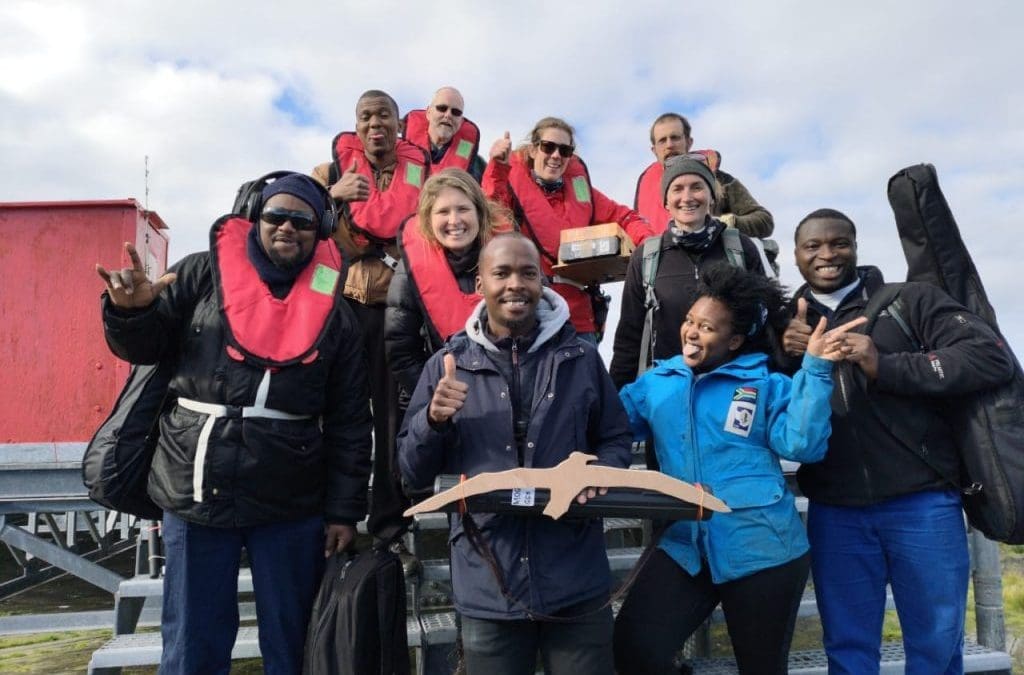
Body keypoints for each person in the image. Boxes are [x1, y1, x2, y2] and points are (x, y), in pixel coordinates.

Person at [96, 173, 372, 674]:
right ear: (254, 216)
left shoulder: (339, 314)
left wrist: (343, 512)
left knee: (293, 645)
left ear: (322, 229)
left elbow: (352, 421)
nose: (288, 228)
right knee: (192, 647)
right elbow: (145, 347)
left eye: (304, 220)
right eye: (276, 216)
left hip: (292, 502)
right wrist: (129, 313)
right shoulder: (201, 275)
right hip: (195, 490)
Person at [782, 208, 1014, 674]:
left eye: (839, 242)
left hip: (922, 503)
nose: (827, 254)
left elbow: (992, 358)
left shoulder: (909, 301)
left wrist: (884, 364)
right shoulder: (783, 324)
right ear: (796, 257)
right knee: (847, 652)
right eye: (813, 246)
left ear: (855, 245)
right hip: (835, 509)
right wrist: (782, 352)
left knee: (936, 649)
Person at [397, 233, 632, 675]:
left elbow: (616, 438)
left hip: (576, 580)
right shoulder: (447, 364)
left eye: (528, 273)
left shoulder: (581, 357)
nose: (515, 284)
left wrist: (602, 472)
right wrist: (433, 421)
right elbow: (411, 473)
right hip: (489, 586)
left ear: (543, 282)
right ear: (479, 283)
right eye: (501, 273)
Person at [613, 263, 862, 674]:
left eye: (707, 328)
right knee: (634, 649)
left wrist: (816, 369)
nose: (692, 333)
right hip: (685, 547)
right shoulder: (659, 381)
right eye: (690, 321)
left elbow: (802, 445)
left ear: (734, 340)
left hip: (764, 550)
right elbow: (609, 423)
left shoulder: (765, 382)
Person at [311, 89, 429, 543]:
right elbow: (286, 215)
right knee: (336, 414)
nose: (374, 123)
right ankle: (332, 518)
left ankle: (389, 527)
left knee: (393, 422)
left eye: (384, 115)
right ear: (356, 126)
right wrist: (331, 196)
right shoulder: (330, 172)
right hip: (342, 310)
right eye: (365, 117)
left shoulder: (424, 174)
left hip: (395, 311)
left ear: (399, 125)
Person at [483, 117, 656, 340]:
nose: (556, 155)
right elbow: (491, 209)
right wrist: (498, 166)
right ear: (534, 150)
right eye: (548, 147)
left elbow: (626, 217)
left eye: (564, 150)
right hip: (532, 314)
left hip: (580, 319)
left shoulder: (583, 193)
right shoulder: (508, 184)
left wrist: (650, 248)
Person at [610, 154, 767, 390]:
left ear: (711, 196)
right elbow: (629, 338)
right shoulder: (646, 256)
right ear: (666, 201)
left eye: (697, 187)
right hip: (665, 394)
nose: (687, 197)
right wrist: (615, 404)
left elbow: (764, 325)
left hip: (731, 390)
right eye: (677, 189)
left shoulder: (740, 248)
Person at [385, 168, 504, 415]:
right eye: (443, 212)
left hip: (509, 397)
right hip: (442, 402)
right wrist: (438, 399)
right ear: (429, 219)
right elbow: (401, 350)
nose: (454, 221)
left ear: (479, 213)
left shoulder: (510, 255)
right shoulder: (410, 271)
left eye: (463, 209)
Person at [633, 112, 774, 238]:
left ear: (689, 142)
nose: (669, 145)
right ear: (654, 150)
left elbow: (764, 221)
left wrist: (729, 223)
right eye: (662, 140)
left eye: (675, 138)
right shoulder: (644, 191)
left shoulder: (721, 180)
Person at [402, 86, 487, 181]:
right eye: (442, 108)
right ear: (428, 113)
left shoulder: (478, 165)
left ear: (461, 121)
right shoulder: (396, 150)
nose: (448, 115)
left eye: (456, 112)